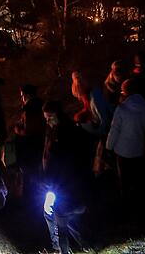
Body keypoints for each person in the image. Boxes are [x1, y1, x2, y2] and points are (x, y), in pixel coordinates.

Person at [41, 101, 92, 254]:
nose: (48, 121)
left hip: (61, 184)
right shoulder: (54, 131)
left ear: (58, 114)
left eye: (50, 118)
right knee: (54, 214)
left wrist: (49, 180)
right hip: (60, 183)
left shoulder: (63, 134)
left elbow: (58, 161)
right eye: (46, 119)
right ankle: (82, 243)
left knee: (59, 216)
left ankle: (63, 247)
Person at [106, 78, 145, 202]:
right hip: (138, 150)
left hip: (122, 152)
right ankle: (140, 202)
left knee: (124, 180)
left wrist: (109, 146)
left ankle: (126, 203)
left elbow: (114, 130)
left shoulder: (121, 109)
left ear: (126, 93)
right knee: (138, 178)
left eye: (122, 92)